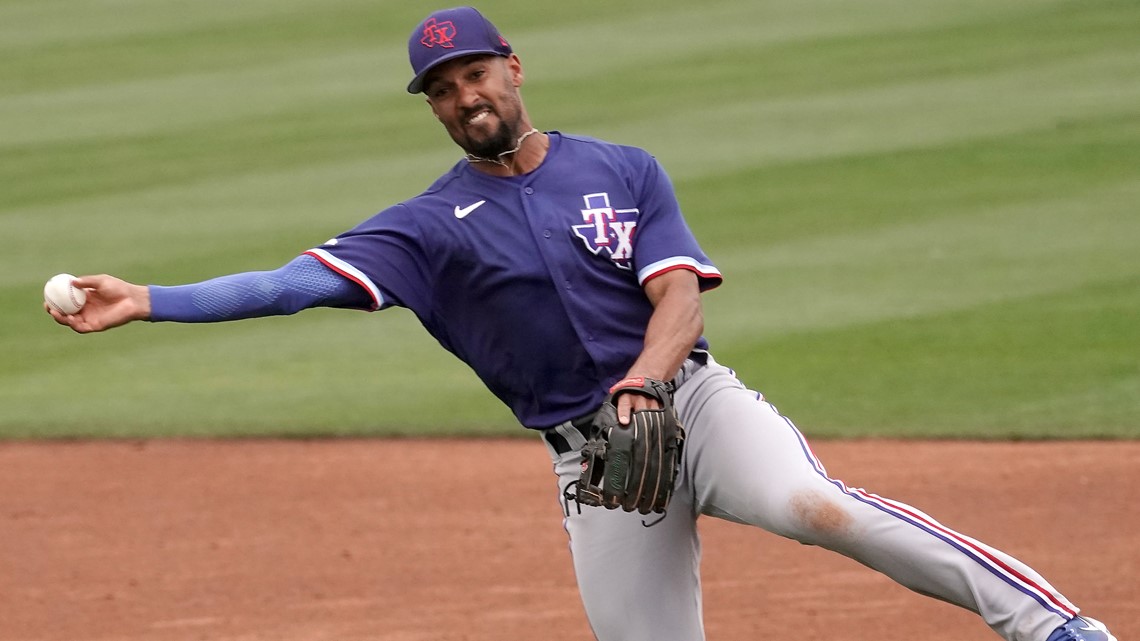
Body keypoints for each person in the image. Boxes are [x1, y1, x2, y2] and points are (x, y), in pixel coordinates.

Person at [47, 7, 1118, 641]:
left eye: (475, 72)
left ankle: (1052, 624)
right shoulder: (425, 229)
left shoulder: (622, 168)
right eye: (441, 87)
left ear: (514, 68)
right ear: (430, 106)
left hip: (693, 400)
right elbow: (286, 283)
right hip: (595, 467)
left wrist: (649, 380)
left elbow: (679, 294)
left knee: (813, 503)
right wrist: (151, 298)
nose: (465, 95)